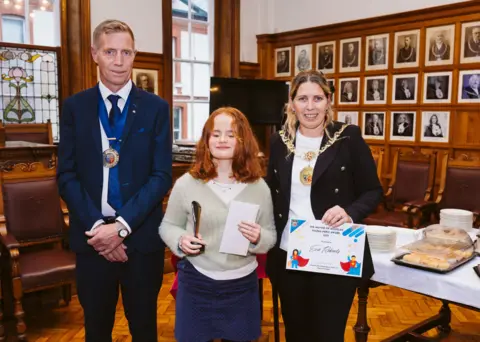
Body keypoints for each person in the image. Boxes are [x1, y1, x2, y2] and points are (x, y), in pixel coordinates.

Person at [57, 19, 172, 342]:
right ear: (95, 54)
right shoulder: (75, 108)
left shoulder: (156, 108)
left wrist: (121, 228)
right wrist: (100, 229)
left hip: (141, 241)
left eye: (126, 52)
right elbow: (66, 175)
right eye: (110, 52)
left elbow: (161, 176)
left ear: (135, 55)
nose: (119, 61)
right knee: (96, 330)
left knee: (145, 330)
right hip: (92, 242)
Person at [265, 70, 383, 341]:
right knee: (296, 333)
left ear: (329, 100)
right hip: (288, 254)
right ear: (291, 102)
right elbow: (271, 192)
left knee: (328, 334)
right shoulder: (278, 141)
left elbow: (373, 190)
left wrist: (349, 211)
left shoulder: (347, 137)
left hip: (334, 253)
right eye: (302, 98)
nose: (310, 106)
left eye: (317, 98)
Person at [159, 107, 276, 342]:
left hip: (242, 288)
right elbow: (168, 226)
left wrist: (258, 237)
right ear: (207, 140)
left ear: (243, 140)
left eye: (231, 134)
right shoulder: (186, 184)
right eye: (216, 133)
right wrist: (180, 240)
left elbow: (271, 234)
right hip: (196, 284)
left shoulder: (259, 187)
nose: (222, 139)